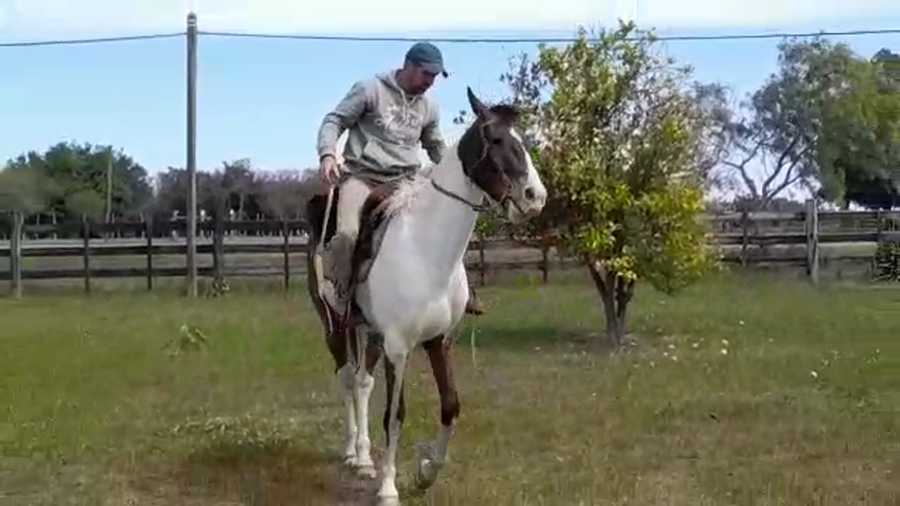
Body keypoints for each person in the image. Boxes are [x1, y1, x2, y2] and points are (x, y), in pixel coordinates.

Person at [315, 41, 484, 315]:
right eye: (426, 74)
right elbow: (334, 120)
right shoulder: (370, 90)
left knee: (446, 227)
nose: (430, 82)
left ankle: (460, 293)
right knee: (347, 234)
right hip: (363, 177)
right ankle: (344, 297)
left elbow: (435, 146)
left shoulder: (429, 107)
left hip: (406, 181)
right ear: (408, 66)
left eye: (434, 76)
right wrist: (327, 154)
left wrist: (458, 172)